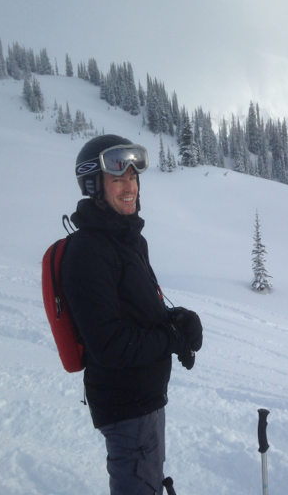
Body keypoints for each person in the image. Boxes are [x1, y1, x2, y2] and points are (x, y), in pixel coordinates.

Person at [62, 134, 203, 495]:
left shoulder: (128, 240)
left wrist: (178, 320)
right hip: (126, 408)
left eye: (133, 177)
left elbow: (140, 310)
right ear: (95, 186)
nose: (130, 187)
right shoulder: (88, 251)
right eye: (118, 179)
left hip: (146, 399)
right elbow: (110, 344)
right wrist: (170, 339)